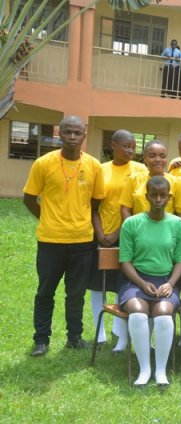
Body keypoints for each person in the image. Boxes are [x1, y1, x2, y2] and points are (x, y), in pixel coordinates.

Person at [23, 115, 105, 357]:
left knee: (76, 294)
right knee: (45, 292)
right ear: (59, 133)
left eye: (77, 133)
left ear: (84, 135)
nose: (72, 137)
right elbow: (29, 198)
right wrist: (47, 218)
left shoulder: (94, 166)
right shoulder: (43, 163)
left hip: (82, 242)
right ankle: (41, 340)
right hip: (50, 241)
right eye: (67, 132)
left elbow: (96, 201)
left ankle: (74, 337)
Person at [118, 176, 181, 387]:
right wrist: (141, 283)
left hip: (166, 281)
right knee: (138, 311)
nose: (158, 199)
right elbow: (125, 262)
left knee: (164, 313)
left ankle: (161, 371)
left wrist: (171, 284)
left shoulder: (178, 224)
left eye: (163, 195)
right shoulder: (132, 223)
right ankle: (144, 369)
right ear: (146, 197)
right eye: (154, 195)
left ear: (169, 197)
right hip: (135, 281)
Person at [88, 129, 146, 352]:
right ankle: (100, 334)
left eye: (133, 147)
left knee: (122, 284)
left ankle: (119, 332)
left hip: (127, 236)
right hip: (101, 235)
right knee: (97, 285)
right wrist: (101, 234)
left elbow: (135, 208)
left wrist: (117, 234)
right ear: (113, 145)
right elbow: (94, 206)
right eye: (126, 146)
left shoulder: (140, 170)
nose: (131, 151)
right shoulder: (101, 170)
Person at [120, 140, 181, 222]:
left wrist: (173, 229)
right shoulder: (133, 180)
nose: (158, 160)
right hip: (138, 228)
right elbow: (125, 209)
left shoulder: (177, 183)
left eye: (162, 156)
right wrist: (131, 227)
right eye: (152, 156)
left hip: (166, 229)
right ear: (145, 158)